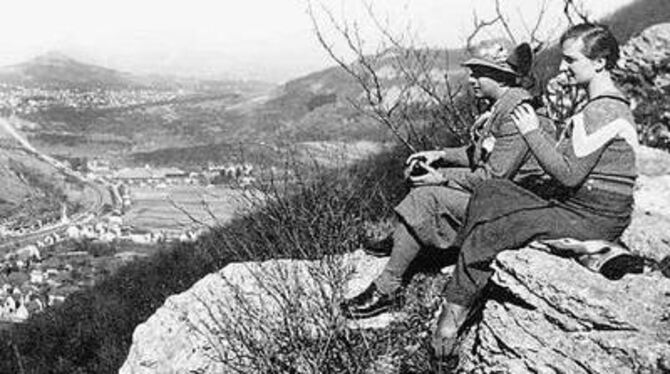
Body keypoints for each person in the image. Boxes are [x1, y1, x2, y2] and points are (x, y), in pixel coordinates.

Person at [431, 23, 639, 360]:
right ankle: (470, 268)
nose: (562, 67)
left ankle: (447, 329)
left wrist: (531, 132)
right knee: (492, 191)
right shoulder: (610, 104)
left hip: (590, 216)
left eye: (571, 60)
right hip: (589, 207)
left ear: (599, 63)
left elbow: (569, 176)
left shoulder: (601, 110)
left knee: (491, 232)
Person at [341, 41, 551, 319]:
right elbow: (480, 154)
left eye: (479, 73)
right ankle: (407, 243)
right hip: (496, 196)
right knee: (417, 173)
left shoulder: (516, 115)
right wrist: (439, 155)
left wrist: (440, 178)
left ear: (501, 77)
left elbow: (493, 177)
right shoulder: (502, 105)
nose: (471, 79)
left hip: (510, 206)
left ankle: (387, 289)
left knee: (426, 195)